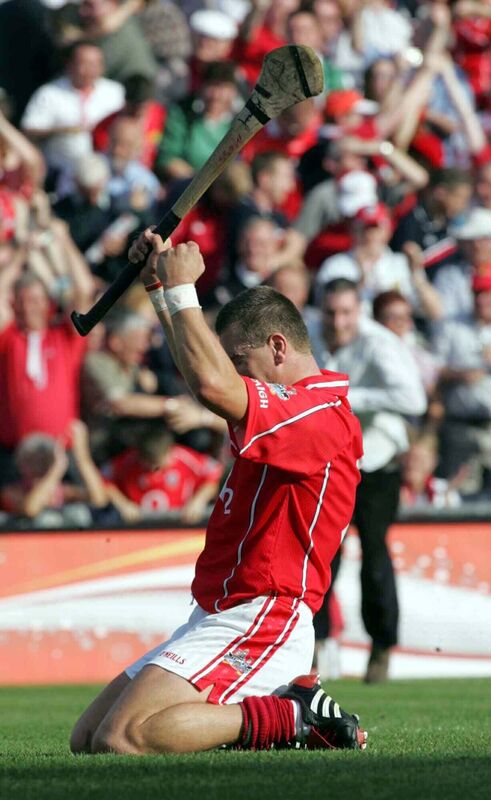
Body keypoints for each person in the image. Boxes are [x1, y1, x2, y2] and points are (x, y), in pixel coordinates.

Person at [70, 228, 367, 755]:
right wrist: (162, 289)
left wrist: (186, 291)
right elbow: (204, 377)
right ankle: (271, 714)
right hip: (221, 609)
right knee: (88, 738)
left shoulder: (321, 415)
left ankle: (292, 716)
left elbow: (212, 385)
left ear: (278, 346)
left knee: (123, 738)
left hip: (264, 609)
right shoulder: (289, 409)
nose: (234, 377)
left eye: (240, 362)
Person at [311, 278, 427, 683]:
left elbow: (414, 400)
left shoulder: (379, 343)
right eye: (331, 313)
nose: (338, 322)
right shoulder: (308, 335)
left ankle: (381, 647)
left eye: (346, 312)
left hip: (376, 463)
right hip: (328, 462)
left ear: (358, 311)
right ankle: (316, 647)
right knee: (322, 558)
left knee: (375, 558)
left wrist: (347, 395)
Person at [20, 40, 124, 192]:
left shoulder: (115, 92)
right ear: (70, 65)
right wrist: (62, 131)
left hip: (108, 174)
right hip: (62, 174)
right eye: (85, 64)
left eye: (95, 64)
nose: (90, 70)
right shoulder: (50, 93)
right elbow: (28, 129)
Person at [104, 422, 223, 524]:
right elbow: (104, 479)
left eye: (159, 466)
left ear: (169, 452)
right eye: (149, 466)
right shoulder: (129, 461)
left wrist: (199, 501)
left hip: (180, 523)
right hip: (140, 527)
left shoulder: (184, 458)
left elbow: (214, 475)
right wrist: (123, 504)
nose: (154, 471)